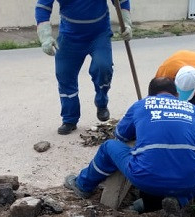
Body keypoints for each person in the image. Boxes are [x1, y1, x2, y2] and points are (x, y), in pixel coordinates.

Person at [64, 77, 195, 210]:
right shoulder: (194, 110)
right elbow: (194, 144)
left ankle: (83, 185)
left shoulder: (142, 105)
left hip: (145, 178)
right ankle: (178, 199)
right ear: (177, 95)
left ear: (150, 96)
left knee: (108, 147)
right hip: (188, 180)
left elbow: (121, 135)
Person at [35, 0, 133, 135]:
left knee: (103, 67)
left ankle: (101, 102)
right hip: (69, 36)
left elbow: (122, 1)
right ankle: (70, 119)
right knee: (64, 74)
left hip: (99, 35)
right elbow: (42, 8)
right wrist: (45, 36)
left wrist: (127, 24)